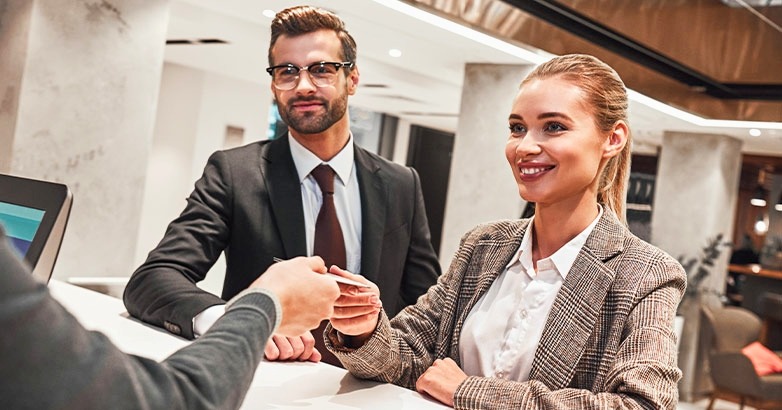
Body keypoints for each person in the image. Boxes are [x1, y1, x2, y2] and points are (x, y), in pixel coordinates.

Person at [325, 54, 687, 408]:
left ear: (613, 138)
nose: (525, 147)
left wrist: (470, 391)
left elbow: (643, 403)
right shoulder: (483, 245)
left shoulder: (646, 273)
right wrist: (364, 329)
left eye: (554, 127)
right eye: (517, 128)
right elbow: (408, 356)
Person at [123, 4, 440, 366]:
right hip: (269, 380)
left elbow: (427, 312)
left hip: (368, 387)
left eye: (321, 69)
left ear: (351, 79)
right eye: (287, 72)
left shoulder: (401, 184)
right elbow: (153, 279)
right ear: (274, 84)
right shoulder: (235, 173)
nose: (303, 86)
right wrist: (240, 322)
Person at [0, 226, 340, 409]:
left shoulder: (379, 178)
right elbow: (172, 401)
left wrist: (361, 336)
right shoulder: (235, 168)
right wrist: (259, 309)